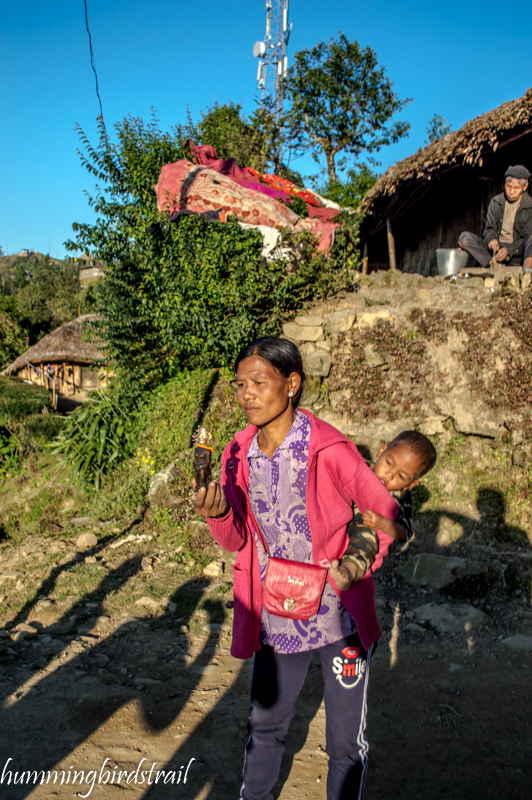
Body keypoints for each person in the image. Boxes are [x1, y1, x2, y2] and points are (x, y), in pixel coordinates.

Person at [194, 336, 401, 800]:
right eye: (240, 384)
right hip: (277, 616)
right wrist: (217, 512)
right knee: (265, 727)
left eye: (259, 382)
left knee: (346, 743)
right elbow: (236, 540)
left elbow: (383, 512)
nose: (246, 393)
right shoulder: (236, 455)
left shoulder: (330, 449)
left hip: (338, 619)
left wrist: (355, 562)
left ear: (292, 384)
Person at [331, 430, 437, 591]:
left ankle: (348, 571)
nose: (389, 474)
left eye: (401, 477)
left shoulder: (399, 497)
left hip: (363, 525)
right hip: (337, 514)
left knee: (367, 539)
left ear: (412, 484)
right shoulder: (360, 467)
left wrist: (383, 523)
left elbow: (406, 533)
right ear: (382, 451)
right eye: (389, 463)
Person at [458, 165, 532, 269]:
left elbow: (526, 237)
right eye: (509, 186)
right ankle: (492, 264)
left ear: (524, 187)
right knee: (465, 238)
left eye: (516, 188)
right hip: (495, 252)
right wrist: (491, 239)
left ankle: (527, 272)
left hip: (517, 252)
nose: (511, 192)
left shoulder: (529, 206)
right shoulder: (496, 202)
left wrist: (508, 250)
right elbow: (489, 228)